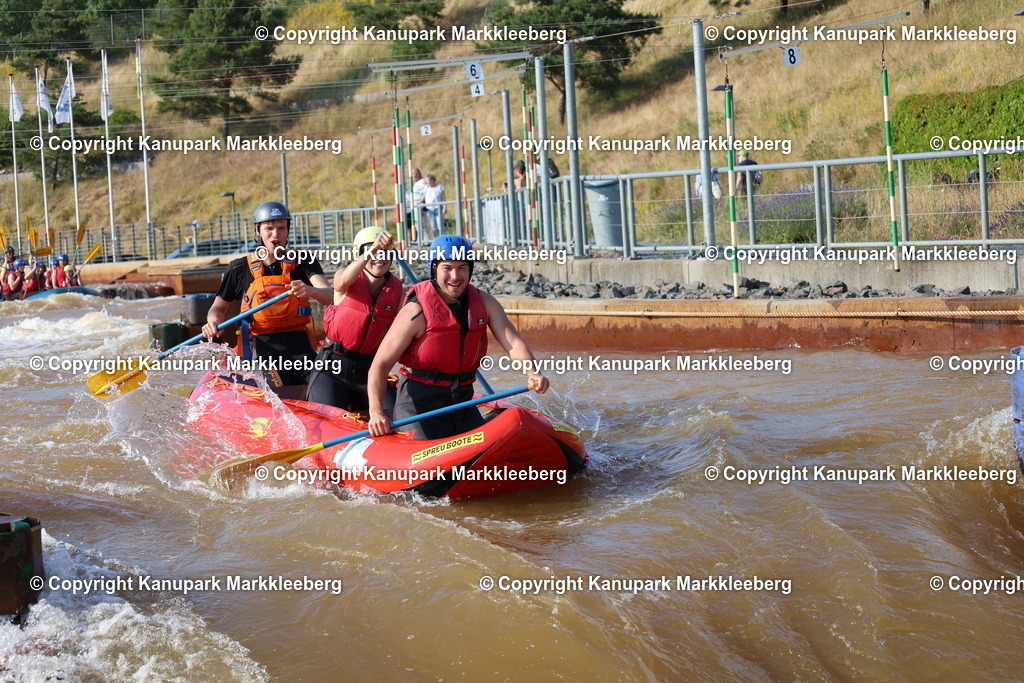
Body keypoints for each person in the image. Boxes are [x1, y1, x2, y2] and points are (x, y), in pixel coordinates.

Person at [366, 235, 549, 440]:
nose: (455, 276)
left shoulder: (484, 302)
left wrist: (533, 372)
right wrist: (376, 413)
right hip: (418, 406)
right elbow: (379, 366)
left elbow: (513, 342)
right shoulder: (415, 311)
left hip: (461, 401)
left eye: (462, 267)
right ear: (434, 269)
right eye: (447, 268)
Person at [202, 201, 333, 392]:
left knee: (323, 387)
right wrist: (212, 322)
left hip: (301, 347)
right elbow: (218, 309)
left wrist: (311, 290)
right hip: (262, 349)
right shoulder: (239, 268)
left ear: (288, 230)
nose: (275, 234)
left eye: (281, 228)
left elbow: (330, 296)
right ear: (257, 230)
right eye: (269, 228)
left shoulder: (305, 261)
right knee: (282, 393)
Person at [305, 227, 403, 412]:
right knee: (325, 421)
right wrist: (372, 249)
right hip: (331, 367)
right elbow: (341, 283)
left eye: (384, 252)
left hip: (370, 370)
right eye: (373, 252)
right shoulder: (343, 277)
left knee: (396, 419)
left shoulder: (397, 291)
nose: (379, 257)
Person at [406, 168, 428, 239]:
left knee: (421, 225)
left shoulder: (422, 182)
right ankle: (421, 239)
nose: (412, 178)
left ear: (418, 174)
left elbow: (424, 194)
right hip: (415, 208)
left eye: (413, 175)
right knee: (418, 225)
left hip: (419, 207)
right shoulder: (417, 184)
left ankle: (424, 240)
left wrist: (422, 205)